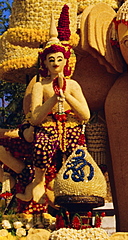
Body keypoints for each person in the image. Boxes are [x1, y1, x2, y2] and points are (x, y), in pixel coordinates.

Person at [16, 27, 90, 203]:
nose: (56, 63)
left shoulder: (73, 85)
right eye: (51, 60)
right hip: (47, 126)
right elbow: (34, 117)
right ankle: (38, 181)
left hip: (71, 127)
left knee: (77, 154)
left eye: (59, 59)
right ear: (45, 64)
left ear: (65, 62)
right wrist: (54, 99)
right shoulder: (40, 86)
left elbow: (85, 114)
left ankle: (74, 185)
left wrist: (66, 95)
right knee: (41, 146)